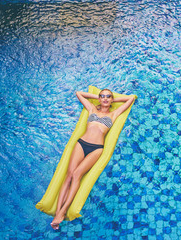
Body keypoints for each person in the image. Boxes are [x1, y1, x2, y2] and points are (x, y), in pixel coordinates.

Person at [50, 89, 135, 230]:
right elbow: (78, 93)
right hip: (81, 143)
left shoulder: (114, 114)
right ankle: (58, 212)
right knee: (69, 175)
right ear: (99, 98)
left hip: (96, 148)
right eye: (102, 96)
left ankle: (63, 211)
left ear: (112, 99)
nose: (105, 99)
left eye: (108, 97)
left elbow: (130, 99)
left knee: (77, 174)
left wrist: (113, 99)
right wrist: (98, 97)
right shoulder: (91, 109)